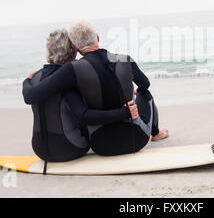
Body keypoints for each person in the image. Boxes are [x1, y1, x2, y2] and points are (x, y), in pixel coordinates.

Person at [23, 21, 168, 156]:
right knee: (145, 93)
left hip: (101, 145)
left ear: (75, 47)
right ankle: (156, 134)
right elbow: (145, 85)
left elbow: (33, 95)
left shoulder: (73, 69)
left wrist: (28, 80)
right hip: (137, 140)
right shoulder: (125, 59)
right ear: (97, 37)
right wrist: (130, 101)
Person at [26, 28, 134, 166]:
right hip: (70, 149)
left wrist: (26, 81)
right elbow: (84, 116)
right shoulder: (68, 79)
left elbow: (30, 95)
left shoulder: (35, 78)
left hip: (39, 149)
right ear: (72, 50)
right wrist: (124, 113)